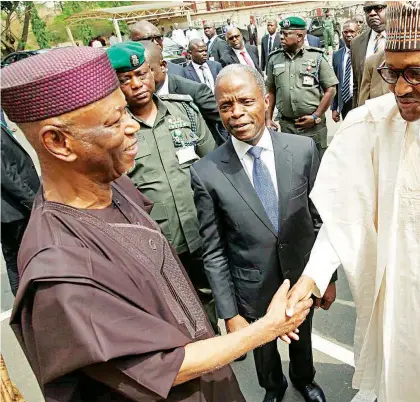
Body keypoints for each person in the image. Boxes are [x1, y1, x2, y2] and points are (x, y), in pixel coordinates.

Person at [2, 46, 312, 402]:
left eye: (125, 112)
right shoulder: (60, 272)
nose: (133, 126)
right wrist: (266, 328)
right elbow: (166, 366)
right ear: (58, 141)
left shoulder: (113, 185)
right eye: (114, 121)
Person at [286, 2, 420, 401]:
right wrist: (311, 279)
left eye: (416, 73)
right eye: (392, 72)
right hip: (395, 307)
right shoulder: (371, 122)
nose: (400, 88)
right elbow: (344, 213)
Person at [191, 64, 335, 402]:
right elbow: (213, 250)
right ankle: (274, 387)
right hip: (251, 287)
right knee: (263, 348)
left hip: (301, 275)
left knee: (304, 335)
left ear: (265, 100)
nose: (237, 113)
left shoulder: (301, 151)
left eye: (245, 101)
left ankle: (304, 379)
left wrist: (328, 277)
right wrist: (229, 313)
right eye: (226, 106)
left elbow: (319, 220)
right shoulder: (207, 172)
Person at [107, 41, 221, 334]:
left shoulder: (184, 111)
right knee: (171, 302)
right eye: (125, 80)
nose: (137, 84)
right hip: (154, 237)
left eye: (142, 74)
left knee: (209, 289)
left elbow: (213, 166)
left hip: (199, 227)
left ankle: (213, 339)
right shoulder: (115, 131)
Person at [265, 17, 338, 159]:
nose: (281, 37)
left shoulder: (316, 57)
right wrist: (268, 118)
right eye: (281, 33)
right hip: (287, 128)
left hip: (313, 128)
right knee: (292, 167)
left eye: (286, 34)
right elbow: (271, 91)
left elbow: (331, 88)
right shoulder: (274, 59)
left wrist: (316, 116)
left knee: (317, 166)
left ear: (299, 36)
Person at [144, 41, 227, 145]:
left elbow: (224, 118)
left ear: (163, 66)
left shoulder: (193, 91)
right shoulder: (133, 99)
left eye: (144, 73)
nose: (138, 82)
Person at [1, 123, 40, 295]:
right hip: (12, 211)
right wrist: (31, 201)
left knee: (15, 259)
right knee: (23, 257)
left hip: (9, 210)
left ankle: (25, 308)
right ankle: (28, 308)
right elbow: (5, 175)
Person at [350, 1, 387, 107]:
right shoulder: (356, 43)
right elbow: (357, 83)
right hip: (367, 110)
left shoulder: (402, 38)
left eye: (378, 8)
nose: (372, 13)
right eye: (368, 10)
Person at [331, 20, 359, 122]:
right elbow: (334, 82)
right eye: (345, 32)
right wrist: (334, 108)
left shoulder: (365, 54)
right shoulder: (337, 55)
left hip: (361, 102)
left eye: (352, 32)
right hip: (345, 104)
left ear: (358, 33)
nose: (348, 35)